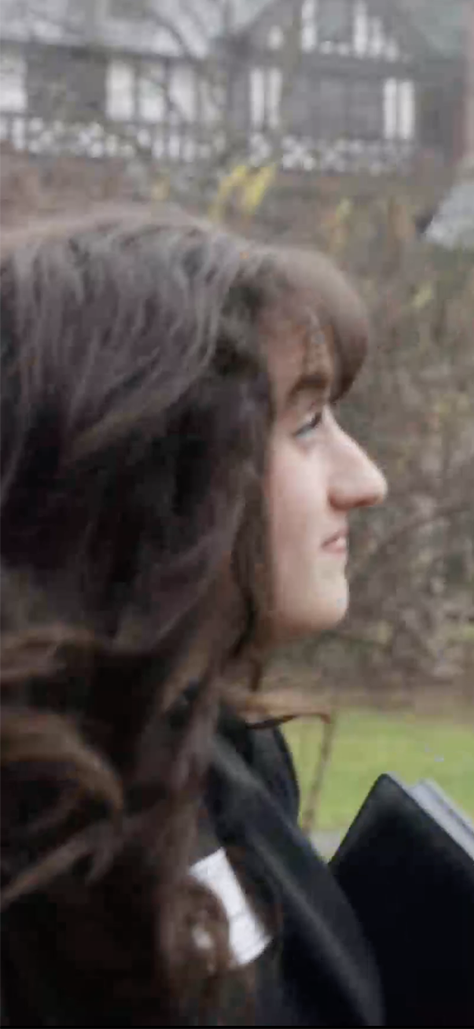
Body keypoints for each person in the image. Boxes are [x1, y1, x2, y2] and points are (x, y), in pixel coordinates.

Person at [0, 205, 389, 1024]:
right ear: (154, 470)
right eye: (307, 424)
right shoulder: (34, 868)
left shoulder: (215, 759)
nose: (364, 481)